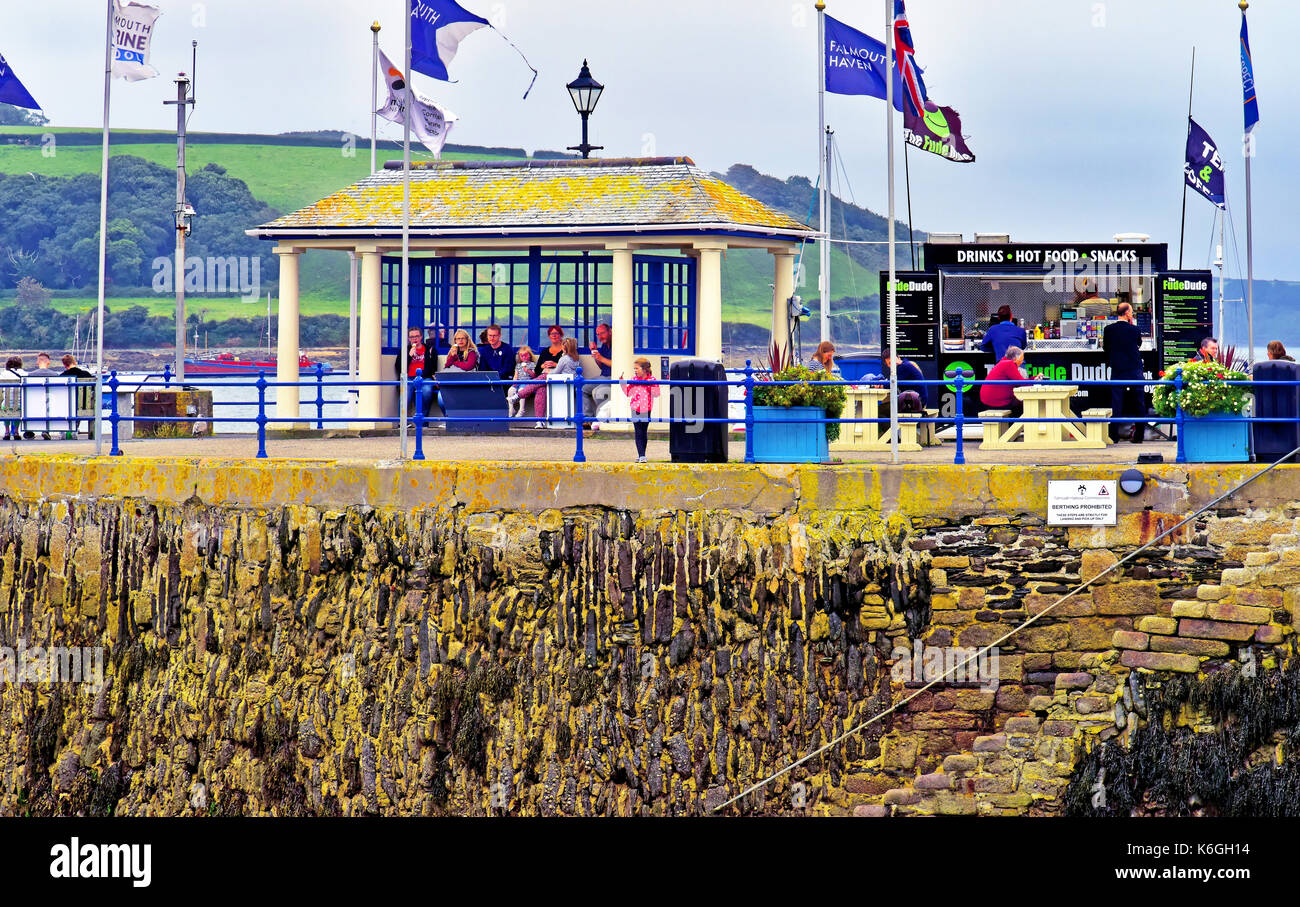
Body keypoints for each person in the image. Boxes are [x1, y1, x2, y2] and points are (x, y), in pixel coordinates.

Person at [1103, 301, 1147, 443]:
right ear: (1127, 313)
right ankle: (1139, 436)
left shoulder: (1108, 330)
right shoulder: (1135, 330)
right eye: (1131, 311)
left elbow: (1106, 348)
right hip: (1134, 368)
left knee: (1116, 403)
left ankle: (1114, 436)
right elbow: (1139, 344)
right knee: (1139, 402)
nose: (1132, 313)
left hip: (1118, 368)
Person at [620, 357, 660, 463]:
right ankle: (641, 455)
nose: (635, 371)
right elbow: (628, 393)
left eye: (637, 368)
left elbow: (656, 394)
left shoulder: (652, 380)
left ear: (644, 369)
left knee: (643, 431)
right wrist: (622, 383)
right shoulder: (634, 380)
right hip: (635, 407)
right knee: (638, 431)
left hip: (646, 408)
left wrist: (647, 385)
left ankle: (642, 454)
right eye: (634, 369)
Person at [537, 338, 583, 428]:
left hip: (561, 385)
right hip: (570, 385)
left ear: (565, 348)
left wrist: (547, 371)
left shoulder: (564, 359)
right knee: (540, 388)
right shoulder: (576, 358)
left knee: (541, 380)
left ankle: (520, 394)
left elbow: (556, 372)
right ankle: (521, 394)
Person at [979, 346, 1030, 418]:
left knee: (1020, 404)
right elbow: (1021, 383)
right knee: (1027, 406)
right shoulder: (1009, 364)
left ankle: (1015, 427)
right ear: (1015, 359)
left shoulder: (1003, 362)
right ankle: (1017, 427)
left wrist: (1034, 379)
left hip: (990, 400)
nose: (1022, 362)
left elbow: (1019, 382)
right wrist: (1035, 380)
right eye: (1021, 360)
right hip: (996, 402)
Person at [878, 349, 928, 414]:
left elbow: (890, 384)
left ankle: (890, 424)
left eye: (894, 360)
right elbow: (889, 382)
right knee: (885, 409)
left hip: (916, 403)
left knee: (879, 411)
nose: (893, 364)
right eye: (890, 363)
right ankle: (891, 424)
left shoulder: (903, 367)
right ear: (888, 365)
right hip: (916, 401)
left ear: (898, 357)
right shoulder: (905, 364)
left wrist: (880, 384)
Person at [397, 328, 433, 416]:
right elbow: (398, 366)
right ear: (409, 339)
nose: (414, 339)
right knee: (405, 395)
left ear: (421, 337)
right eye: (412, 337)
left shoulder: (429, 349)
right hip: (409, 378)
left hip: (424, 378)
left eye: (417, 336)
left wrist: (422, 376)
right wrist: (409, 356)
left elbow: (433, 367)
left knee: (427, 391)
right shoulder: (405, 350)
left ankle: (423, 422)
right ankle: (402, 423)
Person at [582, 322, 613, 418]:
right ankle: (588, 418)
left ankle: (602, 419)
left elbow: (618, 366)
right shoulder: (604, 345)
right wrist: (595, 353)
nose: (600, 337)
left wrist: (601, 358)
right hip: (603, 376)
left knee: (598, 392)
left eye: (602, 333)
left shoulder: (617, 345)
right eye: (598, 334)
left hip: (613, 377)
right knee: (582, 388)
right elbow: (601, 366)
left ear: (610, 332)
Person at [507, 345, 539, 418]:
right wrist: (514, 381)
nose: (523, 357)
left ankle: (521, 410)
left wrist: (527, 370)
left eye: (525, 355)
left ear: (530, 356)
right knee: (510, 391)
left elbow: (534, 376)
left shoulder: (532, 364)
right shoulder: (518, 365)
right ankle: (511, 409)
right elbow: (516, 375)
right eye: (522, 356)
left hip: (527, 382)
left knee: (522, 391)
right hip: (518, 382)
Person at [2, 357, 23, 441]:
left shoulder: (3, 374)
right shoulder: (24, 373)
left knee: (5, 406)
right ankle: (16, 432)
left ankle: (7, 432)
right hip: (19, 405)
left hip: (6, 405)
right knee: (17, 407)